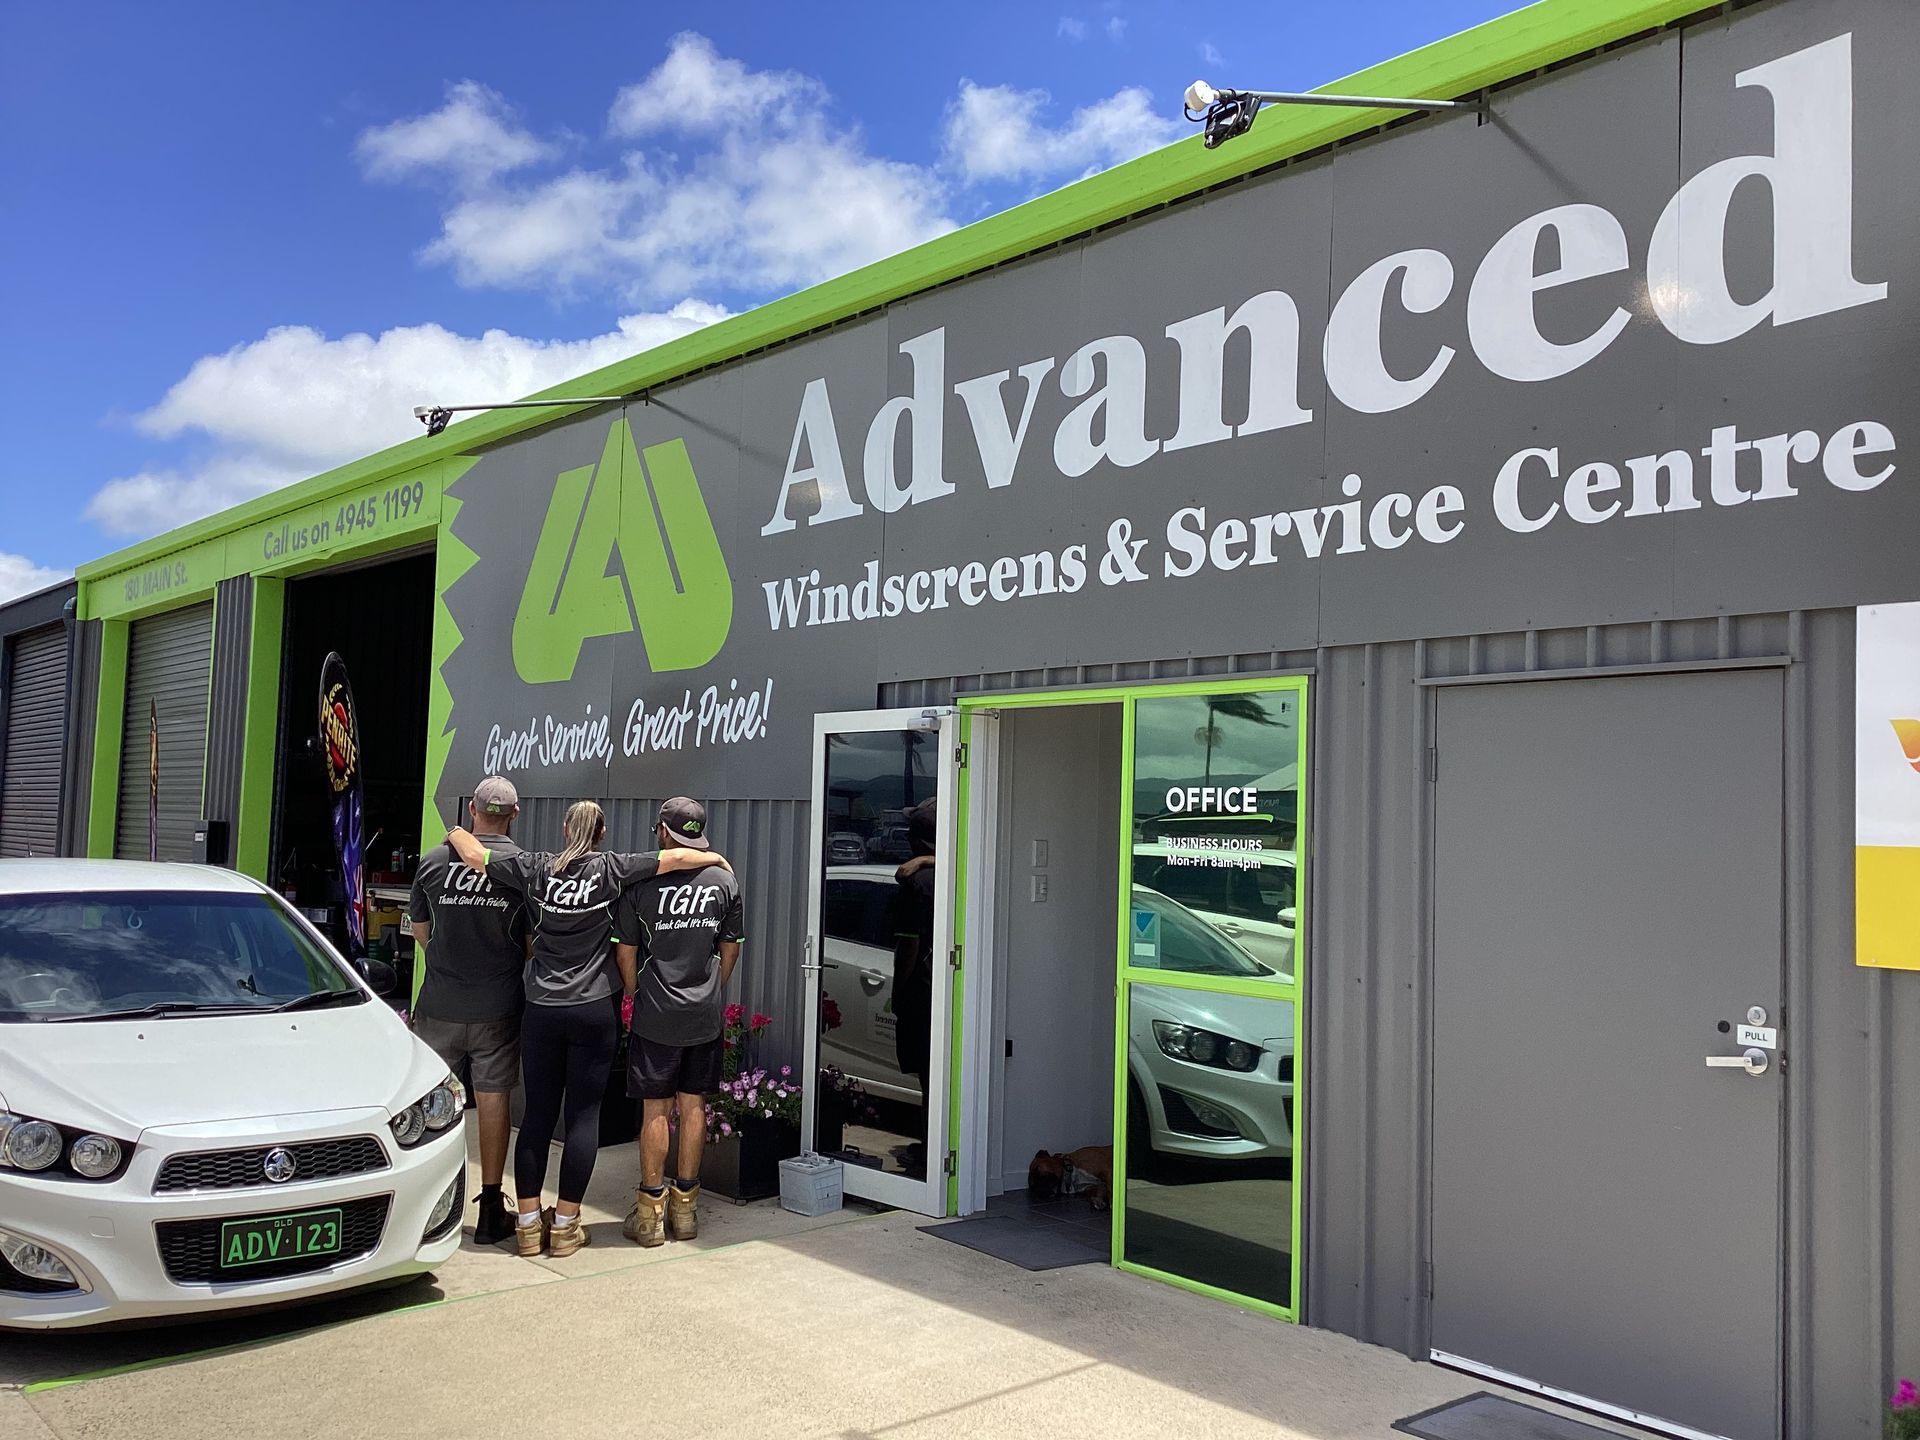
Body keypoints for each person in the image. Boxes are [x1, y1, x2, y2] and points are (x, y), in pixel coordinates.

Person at [446, 801, 726, 1259]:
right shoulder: (613, 868)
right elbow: (673, 857)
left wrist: (456, 829)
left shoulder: (532, 868)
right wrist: (714, 858)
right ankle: (566, 1224)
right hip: (595, 1007)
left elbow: (476, 856)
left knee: (537, 1115)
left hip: (542, 1009)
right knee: (583, 1117)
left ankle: (529, 1226)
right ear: (601, 833)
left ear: (563, 829)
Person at [610, 797, 744, 1248]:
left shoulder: (642, 885)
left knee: (655, 1109)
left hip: (657, 1014)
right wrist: (711, 989)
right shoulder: (724, 881)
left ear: (664, 833)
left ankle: (649, 1214)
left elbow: (624, 952)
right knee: (693, 1108)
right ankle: (685, 1212)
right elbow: (730, 948)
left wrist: (636, 993)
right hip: (702, 1015)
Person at [406, 775, 529, 1246]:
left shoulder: (434, 861)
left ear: (472, 809)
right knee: (494, 1100)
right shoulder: (519, 868)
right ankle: (492, 1205)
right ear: (514, 814)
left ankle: (425, 1205)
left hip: (439, 1004)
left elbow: (419, 930)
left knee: (429, 1104)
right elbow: (531, 944)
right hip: (497, 1005)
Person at [890, 797, 938, 1175]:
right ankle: (936, 1147)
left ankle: (928, 1154)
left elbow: (909, 944)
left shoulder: (916, 883)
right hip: (949, 991)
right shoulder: (954, 872)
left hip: (922, 992)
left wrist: (898, 990)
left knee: (928, 1078)